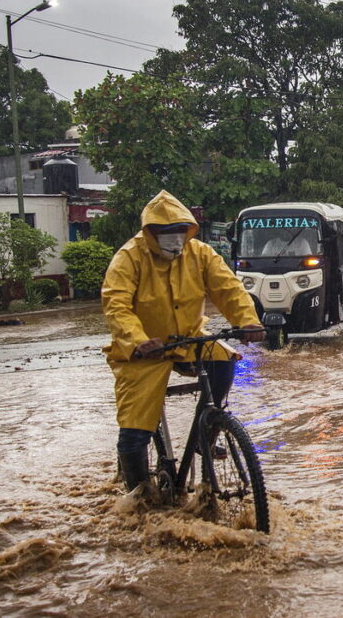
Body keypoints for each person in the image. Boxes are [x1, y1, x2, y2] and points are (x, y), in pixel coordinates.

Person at [101, 190, 265, 493]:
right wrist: (138, 340)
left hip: (190, 339)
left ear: (187, 231)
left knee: (224, 360)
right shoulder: (129, 257)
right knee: (134, 430)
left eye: (179, 231)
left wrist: (247, 321)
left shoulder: (200, 253)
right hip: (143, 351)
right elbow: (116, 304)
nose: (174, 239)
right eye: (166, 232)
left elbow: (228, 288)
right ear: (151, 233)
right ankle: (138, 500)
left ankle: (209, 430)